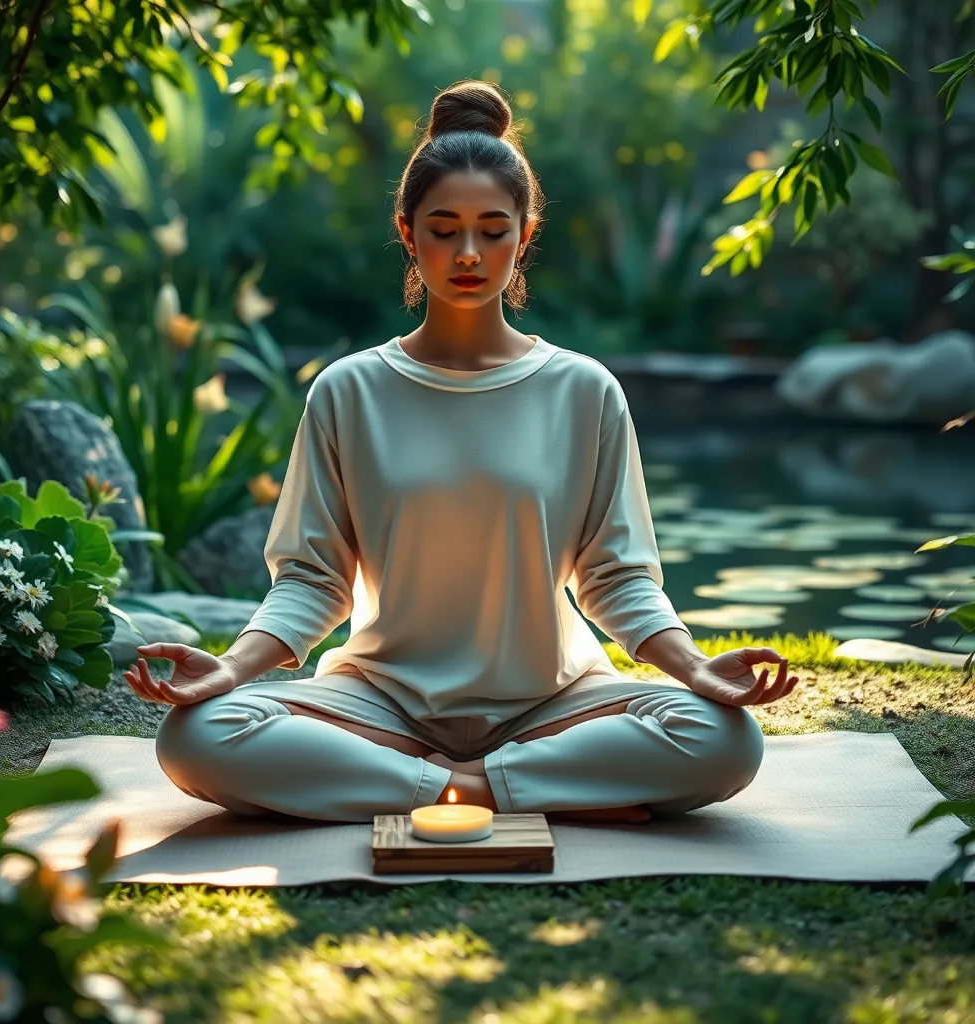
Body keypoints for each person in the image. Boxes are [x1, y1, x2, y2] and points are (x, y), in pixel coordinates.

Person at [125, 80, 800, 826]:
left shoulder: (585, 391)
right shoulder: (350, 391)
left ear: (525, 233)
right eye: (444, 230)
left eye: (493, 229)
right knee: (197, 735)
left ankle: (439, 787)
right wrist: (228, 668)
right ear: (408, 233)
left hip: (554, 698)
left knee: (724, 737)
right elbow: (314, 580)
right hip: (379, 701)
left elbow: (616, 576)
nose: (469, 253)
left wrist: (698, 668)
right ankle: (507, 788)